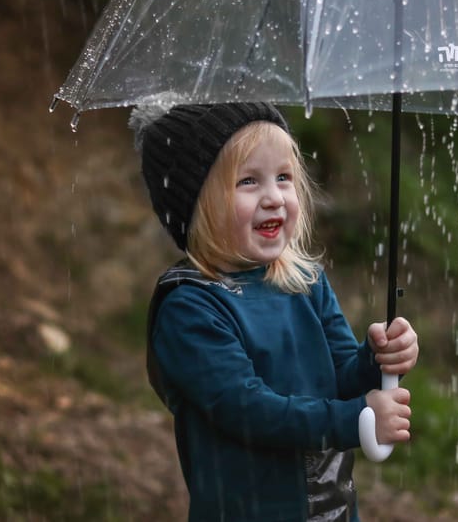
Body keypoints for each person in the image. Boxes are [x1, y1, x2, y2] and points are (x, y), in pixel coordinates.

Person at [129, 102, 419, 522]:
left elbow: (339, 379)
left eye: (284, 177)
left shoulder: (305, 281)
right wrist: (354, 420)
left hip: (331, 510)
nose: (274, 198)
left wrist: (378, 360)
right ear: (197, 203)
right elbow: (248, 410)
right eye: (248, 181)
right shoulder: (190, 307)